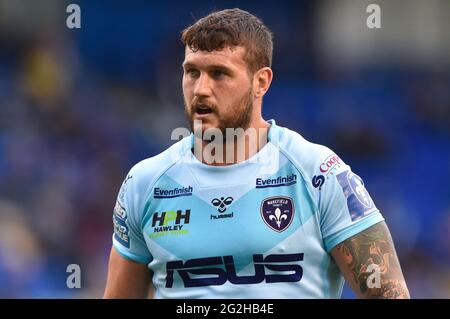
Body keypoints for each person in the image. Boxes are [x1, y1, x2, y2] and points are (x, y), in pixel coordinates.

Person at [103, 8, 409, 299]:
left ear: (260, 82)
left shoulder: (318, 173)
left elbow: (389, 293)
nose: (200, 89)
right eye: (192, 72)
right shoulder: (144, 183)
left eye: (219, 73)